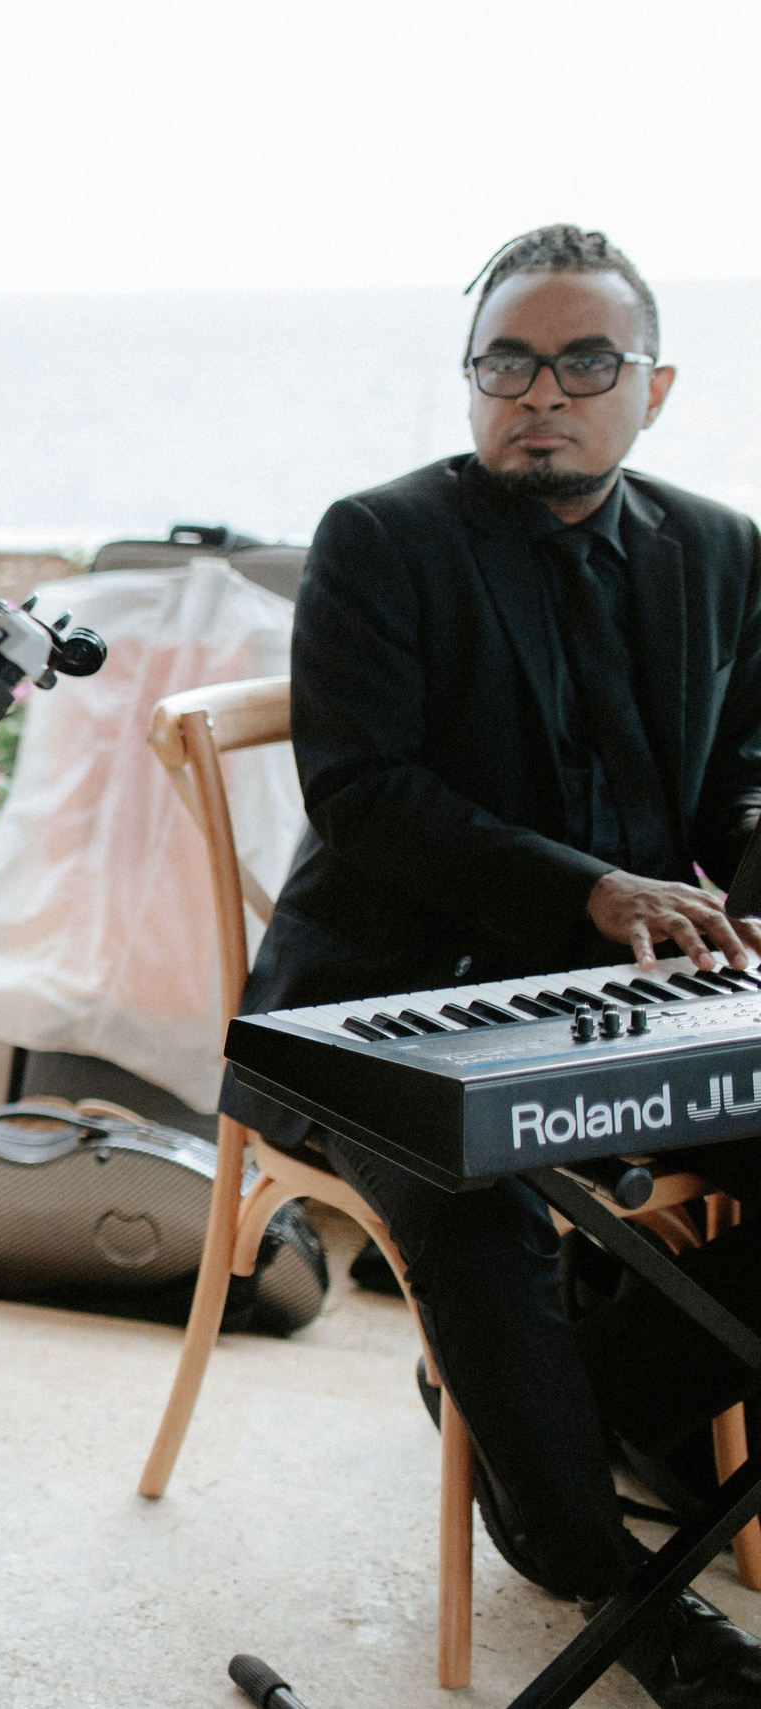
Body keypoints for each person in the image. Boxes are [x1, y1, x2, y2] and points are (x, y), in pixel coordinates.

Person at [225, 225, 761, 1708]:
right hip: (373, 998)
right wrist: (591, 891)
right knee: (477, 1211)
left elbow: (746, 795)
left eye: (585, 361)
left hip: (635, 1004)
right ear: (472, 384)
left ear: (654, 386)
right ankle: (611, 1581)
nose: (543, 391)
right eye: (506, 362)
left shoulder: (725, 553)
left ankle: (603, 1409)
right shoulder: (381, 538)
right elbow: (366, 793)